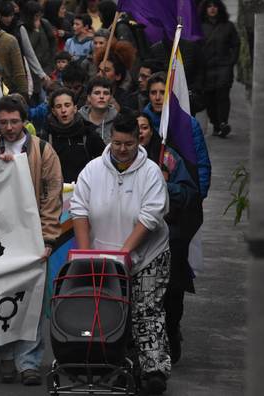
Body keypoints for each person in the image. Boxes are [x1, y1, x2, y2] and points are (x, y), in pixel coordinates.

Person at [71, 112, 171, 395]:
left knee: (145, 310)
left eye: (128, 144)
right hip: (102, 256)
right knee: (111, 312)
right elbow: (79, 210)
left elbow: (150, 218)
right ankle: (116, 365)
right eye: (117, 143)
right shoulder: (92, 170)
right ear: (109, 140)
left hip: (147, 255)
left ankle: (154, 369)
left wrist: (125, 254)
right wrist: (85, 254)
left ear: (138, 141)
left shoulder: (151, 172)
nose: (122, 149)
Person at [0, 95, 62, 386]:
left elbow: (51, 196)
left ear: (24, 121)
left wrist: (48, 237)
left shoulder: (43, 151)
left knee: (32, 300)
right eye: (3, 122)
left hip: (31, 237)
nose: (9, 127)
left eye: (14, 121)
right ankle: (6, 356)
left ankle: (30, 361)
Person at [137, 113, 202, 365]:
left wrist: (165, 186)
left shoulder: (168, 158)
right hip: (135, 240)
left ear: (152, 131)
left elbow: (187, 193)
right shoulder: (117, 160)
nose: (140, 132)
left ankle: (171, 330)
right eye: (136, 128)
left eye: (144, 127)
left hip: (169, 236)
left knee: (171, 295)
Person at [142, 73, 212, 199]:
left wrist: (198, 195)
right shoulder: (141, 122)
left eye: (163, 92)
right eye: (153, 93)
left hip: (182, 195)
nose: (158, 97)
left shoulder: (188, 124)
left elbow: (201, 162)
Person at [43, 87, 104, 182]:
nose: (63, 110)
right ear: (54, 111)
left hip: (86, 189)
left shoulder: (89, 133)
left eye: (67, 105)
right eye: (58, 106)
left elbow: (103, 163)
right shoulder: (47, 136)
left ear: (75, 108)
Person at [199, 0, 240, 137]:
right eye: (209, 6)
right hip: (206, 68)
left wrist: (231, 61)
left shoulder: (228, 26)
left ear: (219, 8)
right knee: (209, 99)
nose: (212, 9)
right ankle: (216, 124)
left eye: (214, 6)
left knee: (223, 96)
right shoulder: (199, 27)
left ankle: (223, 123)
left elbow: (235, 44)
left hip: (223, 66)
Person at [78, 77, 118, 143]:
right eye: (97, 93)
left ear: (110, 98)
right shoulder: (77, 119)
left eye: (106, 93)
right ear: (89, 97)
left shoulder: (118, 121)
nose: (101, 96)